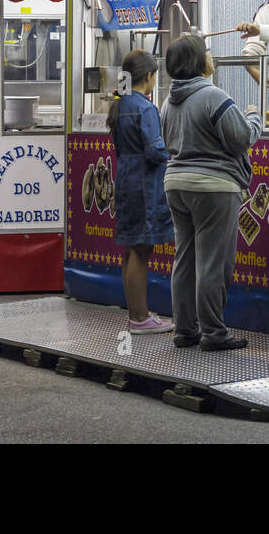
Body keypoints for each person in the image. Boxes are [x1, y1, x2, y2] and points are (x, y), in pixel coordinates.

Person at [160, 35, 263, 351]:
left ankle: (185, 330)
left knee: (186, 259)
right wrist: (255, 115)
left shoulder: (167, 101)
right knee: (213, 263)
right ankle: (214, 334)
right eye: (207, 51)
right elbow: (241, 138)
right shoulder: (214, 96)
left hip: (175, 184)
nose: (211, 55)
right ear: (197, 61)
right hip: (214, 188)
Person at [107, 50, 174, 335]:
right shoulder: (145, 108)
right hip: (145, 183)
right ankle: (139, 318)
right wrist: (176, 151)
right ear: (149, 77)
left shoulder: (120, 104)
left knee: (131, 248)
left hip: (126, 178)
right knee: (142, 250)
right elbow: (155, 150)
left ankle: (137, 313)